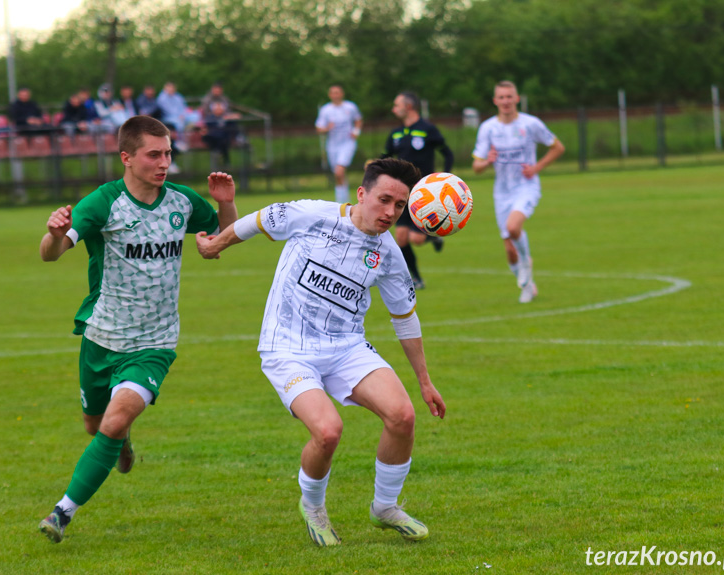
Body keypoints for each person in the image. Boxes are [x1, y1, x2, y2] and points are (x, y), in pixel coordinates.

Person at [196, 158, 446, 547]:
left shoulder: (390, 255)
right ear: (361, 193)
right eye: (383, 200)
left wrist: (425, 382)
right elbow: (260, 219)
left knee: (402, 415)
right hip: (288, 349)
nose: (389, 212)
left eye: (399, 206)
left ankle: (385, 507)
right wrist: (215, 244)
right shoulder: (312, 214)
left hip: (346, 347)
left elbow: (405, 319)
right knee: (328, 431)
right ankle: (313, 507)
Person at [36, 115, 238, 543]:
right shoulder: (103, 202)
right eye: (154, 154)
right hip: (102, 336)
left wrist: (224, 205)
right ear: (127, 157)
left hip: (154, 342)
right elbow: (50, 255)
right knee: (97, 427)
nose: (164, 162)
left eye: (168, 153)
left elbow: (221, 237)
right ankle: (122, 441)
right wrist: (53, 234)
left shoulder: (182, 201)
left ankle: (61, 513)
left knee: (112, 421)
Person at [472, 80, 565, 303]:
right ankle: (527, 285)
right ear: (495, 101)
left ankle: (526, 263)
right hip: (501, 192)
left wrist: (537, 168)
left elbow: (558, 147)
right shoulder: (488, 128)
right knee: (509, 249)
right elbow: (476, 167)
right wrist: (487, 162)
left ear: (517, 99)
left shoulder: (531, 124)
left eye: (509, 96)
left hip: (526, 187)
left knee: (513, 227)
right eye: (501, 97)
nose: (506, 101)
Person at [383, 91, 453, 290]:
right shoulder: (396, 133)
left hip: (425, 193)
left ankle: (433, 236)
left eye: (397, 105)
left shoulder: (427, 129)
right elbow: (386, 156)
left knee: (417, 239)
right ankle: (416, 278)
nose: (393, 109)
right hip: (402, 193)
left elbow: (447, 153)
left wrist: (444, 177)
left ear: (409, 106)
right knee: (402, 238)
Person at [315, 84, 363, 204]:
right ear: (330, 95)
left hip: (347, 143)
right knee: (338, 175)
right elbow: (319, 128)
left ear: (342, 94)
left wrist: (356, 131)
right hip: (332, 145)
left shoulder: (350, 107)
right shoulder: (326, 110)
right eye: (333, 92)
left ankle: (341, 202)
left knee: (339, 171)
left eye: (338, 92)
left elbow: (358, 120)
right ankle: (344, 201)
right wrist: (327, 128)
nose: (336, 95)